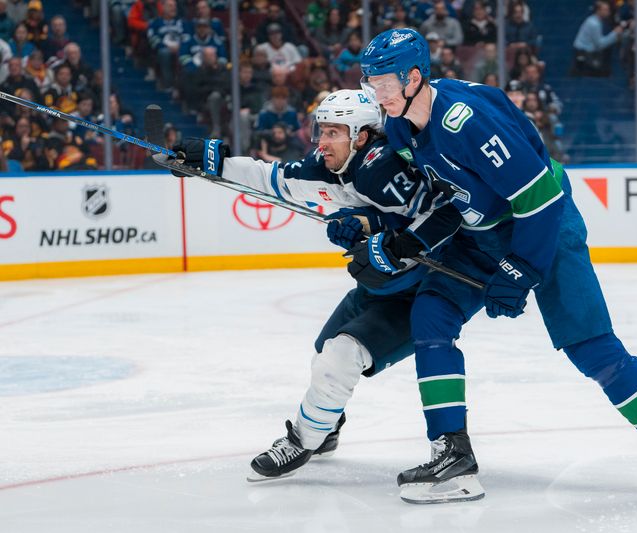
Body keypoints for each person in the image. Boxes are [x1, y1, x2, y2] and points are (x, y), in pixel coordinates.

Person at [358, 27, 637, 504]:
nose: (376, 94)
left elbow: (540, 198)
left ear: (414, 77)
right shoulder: (403, 127)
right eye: (370, 82)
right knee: (432, 315)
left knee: (591, 347)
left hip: (546, 228)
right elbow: (457, 197)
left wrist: (519, 269)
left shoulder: (467, 123)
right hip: (482, 232)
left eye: (383, 82)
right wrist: (410, 240)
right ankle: (453, 456)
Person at [166, 89, 462, 482]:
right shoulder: (334, 163)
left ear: (361, 136)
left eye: (333, 132)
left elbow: (440, 218)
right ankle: (327, 428)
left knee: (340, 356)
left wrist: (367, 225)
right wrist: (214, 161)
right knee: (325, 349)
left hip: (418, 289)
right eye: (321, 131)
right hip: (380, 285)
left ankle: (304, 439)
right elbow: (274, 178)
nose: (322, 142)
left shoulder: (385, 167)